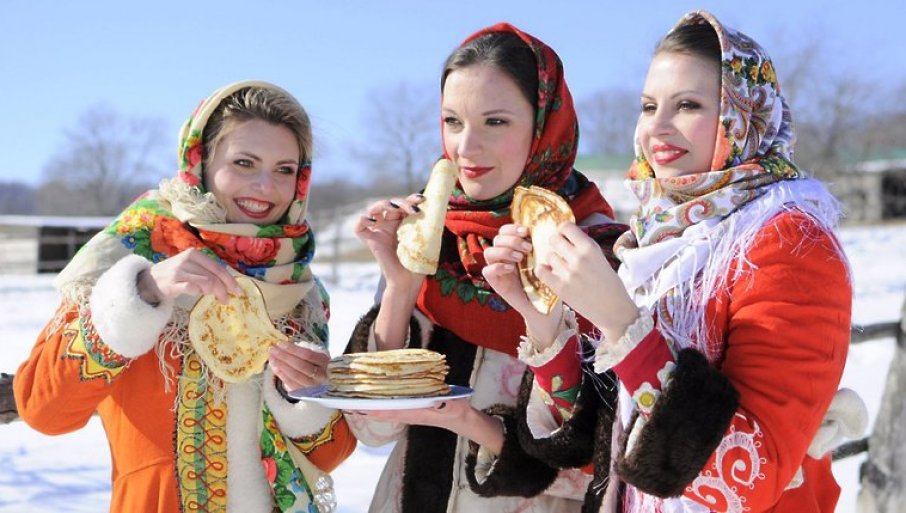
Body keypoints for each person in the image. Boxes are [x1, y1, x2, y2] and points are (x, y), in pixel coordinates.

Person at [480, 10, 860, 513]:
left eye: (688, 105)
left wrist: (623, 324)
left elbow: (751, 476)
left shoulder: (790, 242)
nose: (656, 127)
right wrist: (543, 322)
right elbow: (607, 448)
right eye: (648, 106)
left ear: (741, 116)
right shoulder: (653, 239)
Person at [14, 80, 355, 513]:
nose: (265, 186)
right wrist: (143, 293)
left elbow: (328, 457)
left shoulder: (298, 286)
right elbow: (44, 410)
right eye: (244, 163)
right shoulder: (132, 253)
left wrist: (304, 394)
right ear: (200, 161)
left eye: (285, 169)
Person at [347, 23, 626, 513]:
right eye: (452, 121)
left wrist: (473, 425)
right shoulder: (425, 233)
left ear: (544, 125)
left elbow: (600, 466)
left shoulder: (591, 252)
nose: (466, 147)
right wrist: (399, 289)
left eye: (495, 122)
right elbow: (370, 428)